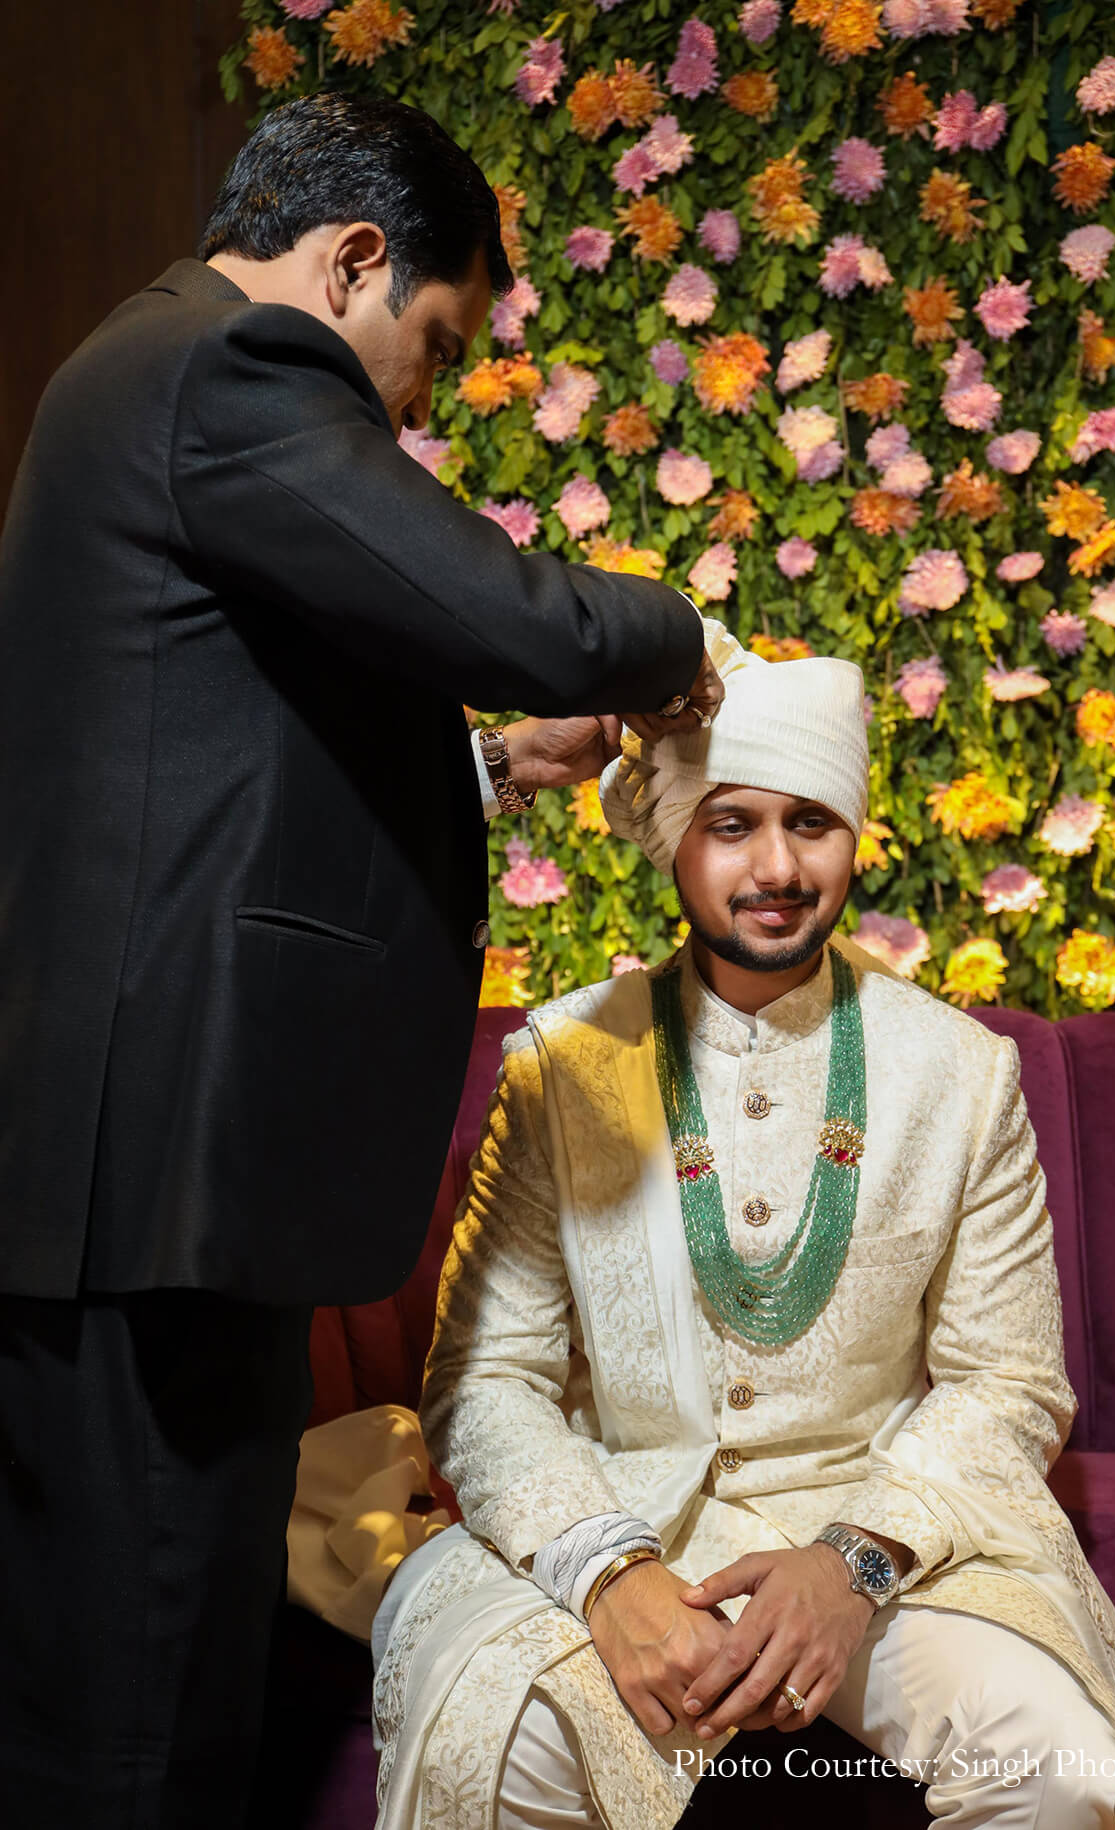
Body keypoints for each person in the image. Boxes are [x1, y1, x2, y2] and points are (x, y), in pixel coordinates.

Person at [0, 91, 722, 1828]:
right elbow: (498, 609)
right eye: (437, 344)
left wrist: (481, 768)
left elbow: (231, 766)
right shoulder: (233, 365)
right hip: (154, 1170)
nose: (423, 397)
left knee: (150, 1671)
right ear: (354, 258)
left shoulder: (152, 372)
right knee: (137, 1714)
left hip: (154, 1165)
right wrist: (680, 631)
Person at [369, 621, 1115, 1830]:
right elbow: (484, 1381)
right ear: (673, 844)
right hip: (625, 1520)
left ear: (854, 834)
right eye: (731, 825)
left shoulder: (957, 1073)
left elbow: (1006, 1385)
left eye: (811, 822)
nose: (777, 868)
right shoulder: (561, 1069)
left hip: (880, 1536)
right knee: (504, 1740)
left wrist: (851, 1562)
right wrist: (608, 1572)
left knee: (1050, 1763)